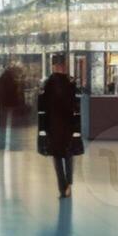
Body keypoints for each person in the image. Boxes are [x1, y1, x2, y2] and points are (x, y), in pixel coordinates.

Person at [37, 53, 82, 198]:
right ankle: (68, 184)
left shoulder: (47, 83)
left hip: (53, 126)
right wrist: (76, 128)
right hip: (67, 125)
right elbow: (76, 107)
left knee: (57, 157)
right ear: (64, 65)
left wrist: (42, 129)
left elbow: (42, 109)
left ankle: (63, 187)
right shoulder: (71, 83)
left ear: (53, 66)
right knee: (68, 156)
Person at [0, 65, 21, 143]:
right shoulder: (10, 80)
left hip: (3, 104)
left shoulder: (1, 79)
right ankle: (11, 142)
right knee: (11, 124)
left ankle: (2, 141)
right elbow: (12, 92)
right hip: (9, 104)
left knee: (2, 124)